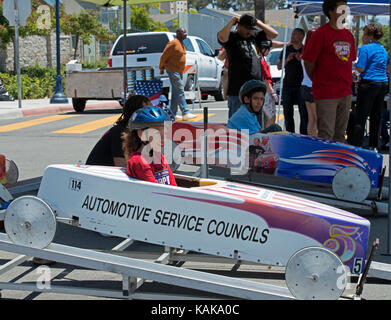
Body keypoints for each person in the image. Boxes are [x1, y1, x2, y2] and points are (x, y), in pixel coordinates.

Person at [302, 0, 356, 143]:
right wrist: (320, 82)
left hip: (345, 92)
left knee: (340, 135)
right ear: (331, 12)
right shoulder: (320, 34)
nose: (345, 11)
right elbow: (308, 62)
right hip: (326, 93)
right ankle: (325, 165)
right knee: (326, 134)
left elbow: (350, 61)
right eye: (341, 8)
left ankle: (338, 165)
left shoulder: (349, 35)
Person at [217, 13, 278, 119]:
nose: (249, 31)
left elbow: (274, 34)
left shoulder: (255, 37)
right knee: (237, 125)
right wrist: (232, 22)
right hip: (237, 90)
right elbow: (221, 37)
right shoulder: (232, 37)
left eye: (251, 28)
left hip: (256, 89)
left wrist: (257, 22)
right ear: (239, 25)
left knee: (256, 126)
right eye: (246, 28)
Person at [352, 23, 390, 151]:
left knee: (361, 116)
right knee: (376, 115)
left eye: (364, 34)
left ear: (369, 35)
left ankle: (357, 145)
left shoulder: (365, 49)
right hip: (383, 83)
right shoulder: (383, 49)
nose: (362, 37)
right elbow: (386, 68)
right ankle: (374, 145)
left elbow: (361, 68)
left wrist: (354, 68)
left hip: (369, 83)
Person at [85, 95, 152, 167]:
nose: (152, 113)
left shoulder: (138, 131)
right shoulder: (121, 132)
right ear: (134, 113)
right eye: (148, 110)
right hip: (97, 174)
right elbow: (121, 165)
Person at [123, 106, 177, 186]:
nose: (163, 139)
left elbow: (173, 186)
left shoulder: (159, 156)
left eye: (165, 134)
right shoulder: (139, 162)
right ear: (141, 133)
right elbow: (156, 192)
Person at [159, 28, 196, 121]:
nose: (186, 35)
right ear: (178, 33)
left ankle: (172, 114)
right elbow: (164, 56)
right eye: (184, 33)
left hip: (179, 71)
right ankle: (185, 112)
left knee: (176, 92)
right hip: (172, 70)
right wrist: (161, 68)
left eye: (186, 33)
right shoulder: (173, 43)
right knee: (180, 90)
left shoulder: (181, 43)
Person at [277, 28, 308, 135]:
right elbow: (278, 66)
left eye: (295, 34)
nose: (292, 36)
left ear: (301, 37)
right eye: (292, 34)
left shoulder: (305, 49)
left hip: (301, 85)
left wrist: (301, 60)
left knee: (304, 113)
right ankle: (290, 135)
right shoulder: (287, 49)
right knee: (287, 113)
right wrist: (287, 60)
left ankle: (303, 136)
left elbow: (310, 67)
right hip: (287, 85)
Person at [257, 40, 279, 128]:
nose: (269, 51)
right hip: (266, 91)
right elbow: (266, 79)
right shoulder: (261, 61)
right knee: (271, 116)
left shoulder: (260, 59)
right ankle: (268, 136)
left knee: (265, 116)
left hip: (262, 90)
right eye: (268, 49)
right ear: (263, 49)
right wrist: (272, 92)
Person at [300, 29, 317, 137]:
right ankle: (318, 143)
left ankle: (311, 140)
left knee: (311, 118)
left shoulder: (304, 53)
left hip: (304, 86)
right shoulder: (314, 53)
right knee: (317, 119)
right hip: (313, 87)